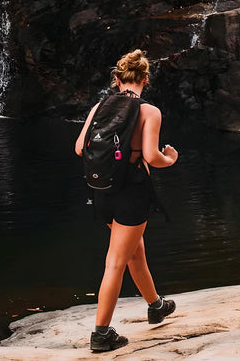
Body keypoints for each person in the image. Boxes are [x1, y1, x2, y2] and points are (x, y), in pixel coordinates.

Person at [75, 49, 179, 352]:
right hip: (132, 191)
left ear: (117, 79)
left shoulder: (99, 107)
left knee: (135, 252)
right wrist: (170, 159)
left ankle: (156, 305)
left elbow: (80, 148)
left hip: (103, 190)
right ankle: (101, 333)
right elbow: (151, 156)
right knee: (116, 261)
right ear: (145, 80)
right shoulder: (150, 112)